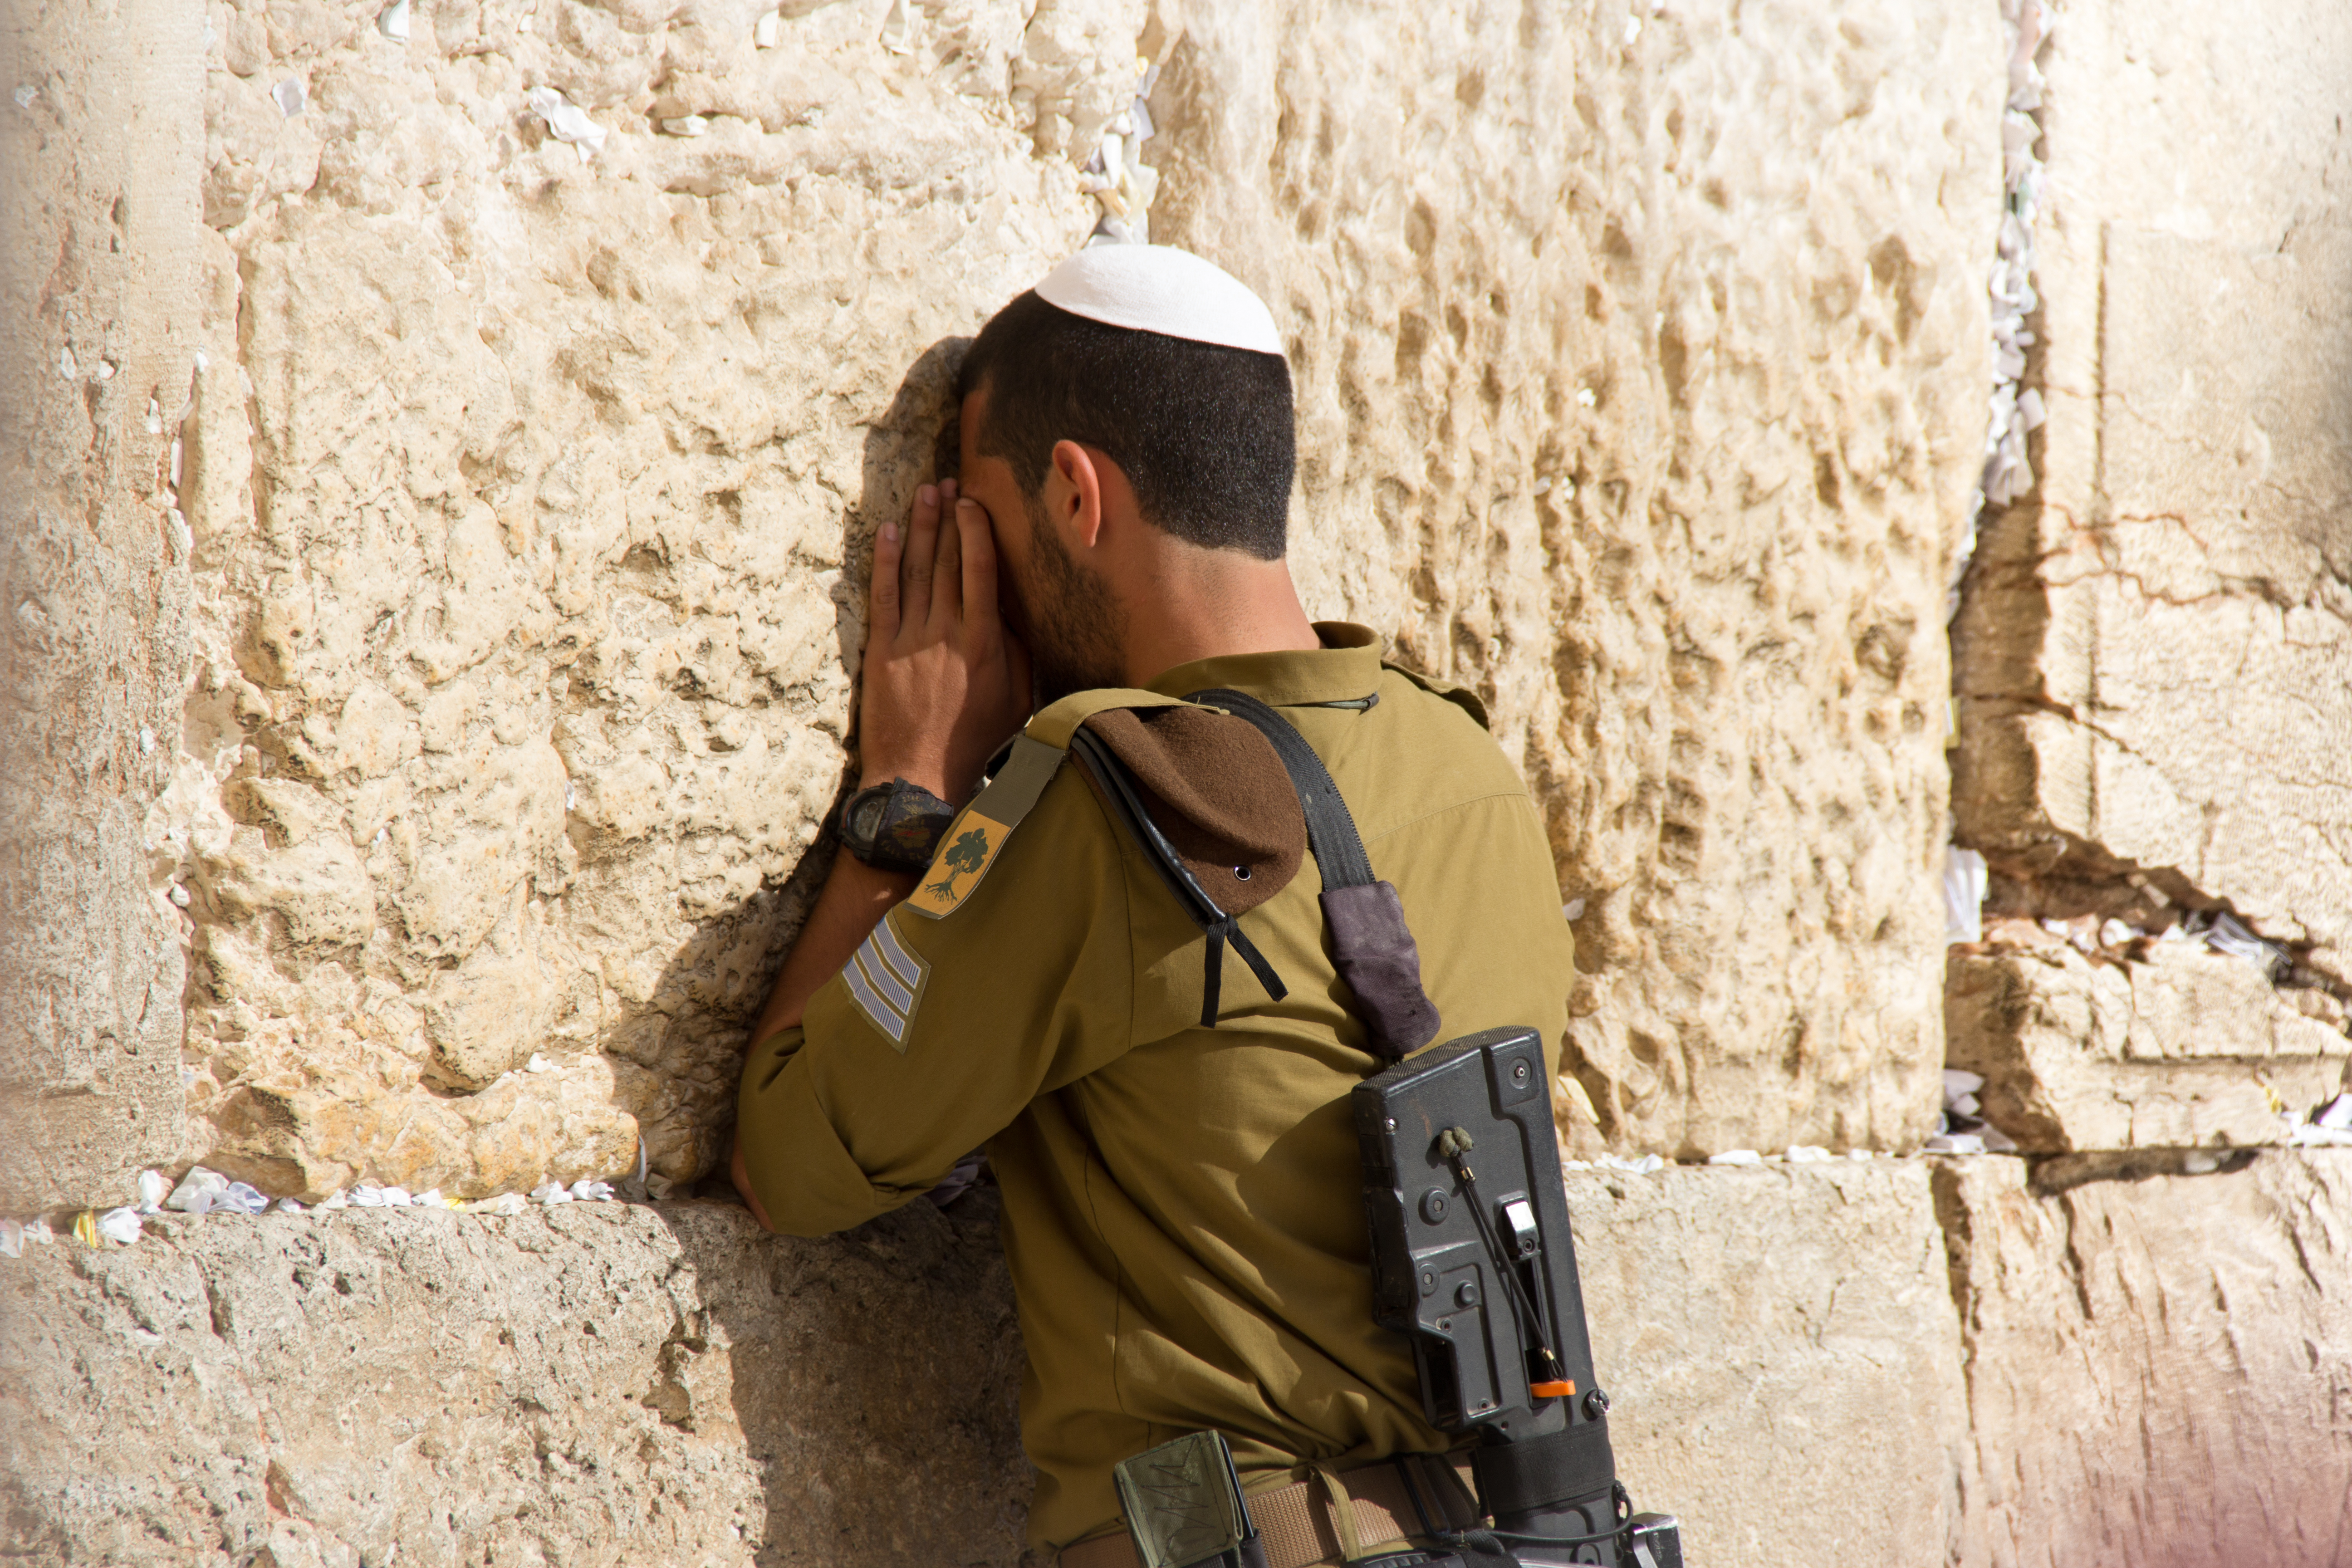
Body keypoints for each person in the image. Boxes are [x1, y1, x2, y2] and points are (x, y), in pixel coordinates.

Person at [731, 244, 1575, 1567]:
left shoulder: (1118, 790)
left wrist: (903, 804)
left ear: (1074, 492)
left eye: (984, 516)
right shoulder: (1468, 764)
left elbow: (789, 1161)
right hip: (1475, 1530)